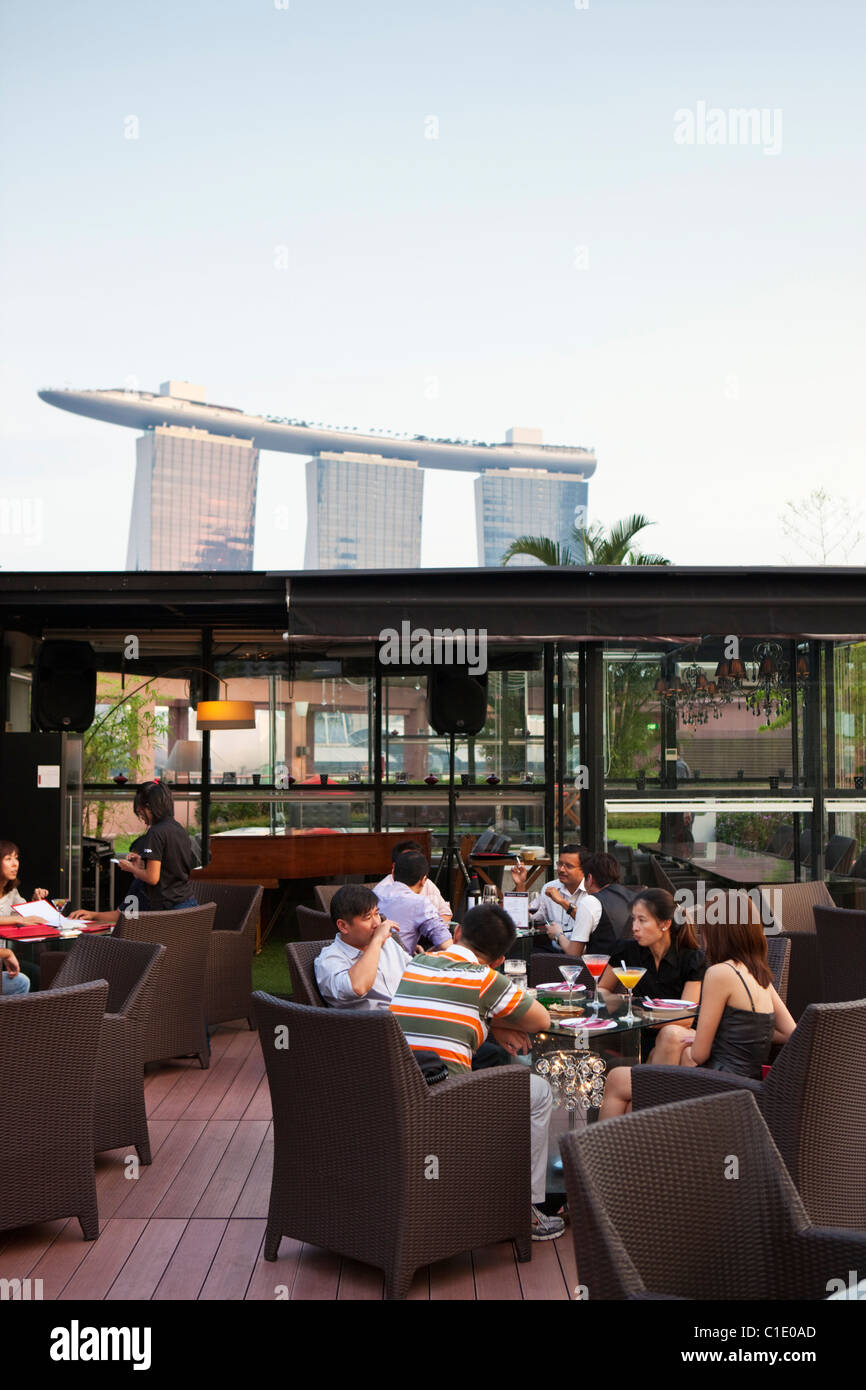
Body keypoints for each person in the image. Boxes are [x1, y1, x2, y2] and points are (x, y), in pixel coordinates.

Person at [389, 902, 565, 1241]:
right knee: (539, 1091)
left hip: (395, 1093)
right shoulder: (484, 979)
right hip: (443, 1103)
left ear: (457, 933)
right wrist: (495, 1020)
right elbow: (541, 1021)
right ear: (499, 960)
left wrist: (489, 1022)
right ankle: (523, 1210)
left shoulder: (416, 963)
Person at [600, 890, 795, 1118]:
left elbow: (700, 1054)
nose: (703, 936)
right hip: (747, 1085)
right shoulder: (760, 975)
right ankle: (643, 1140)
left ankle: (605, 1151)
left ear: (718, 932)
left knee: (616, 1079)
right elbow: (790, 1032)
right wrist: (734, 1034)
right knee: (638, 1090)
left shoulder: (719, 973)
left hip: (716, 1083)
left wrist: (710, 1036)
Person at [72, 781, 197, 922]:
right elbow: (172, 866)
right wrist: (141, 864)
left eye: (139, 811)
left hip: (167, 913)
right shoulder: (178, 829)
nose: (140, 816)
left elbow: (152, 877)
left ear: (148, 807)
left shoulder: (155, 832)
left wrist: (131, 868)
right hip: (188, 907)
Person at [315, 884, 411, 1011]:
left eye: (377, 914)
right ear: (343, 926)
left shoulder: (387, 944)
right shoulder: (329, 960)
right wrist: (376, 941)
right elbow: (358, 987)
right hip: (375, 1027)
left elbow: (415, 972)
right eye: (368, 918)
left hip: (412, 1017)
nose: (377, 923)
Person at [511, 844, 595, 954]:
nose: (561, 869)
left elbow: (591, 924)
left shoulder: (591, 892)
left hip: (583, 954)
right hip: (554, 950)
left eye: (568, 866)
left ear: (584, 870)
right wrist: (521, 885)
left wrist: (561, 901)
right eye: (559, 864)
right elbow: (528, 920)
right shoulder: (550, 887)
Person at [374, 851, 453, 955]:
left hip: (367, 958)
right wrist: (427, 954)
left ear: (393, 873)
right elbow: (446, 945)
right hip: (399, 966)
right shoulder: (421, 903)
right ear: (423, 880)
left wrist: (410, 945)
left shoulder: (376, 892)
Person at [374, 838, 452, 923]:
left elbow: (446, 913)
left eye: (416, 860)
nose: (412, 863)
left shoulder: (427, 883)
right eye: (406, 860)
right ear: (394, 866)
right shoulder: (382, 891)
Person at [581, 851, 635, 958]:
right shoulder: (636, 897)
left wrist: (558, 934)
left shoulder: (590, 901)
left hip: (602, 969)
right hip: (633, 966)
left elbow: (573, 953)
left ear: (590, 879)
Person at [0, 840, 51, 924]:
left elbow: (26, 915)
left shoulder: (12, 891)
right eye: (8, 859)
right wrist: (19, 920)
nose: (15, 863)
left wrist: (35, 900)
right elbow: (22, 919)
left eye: (16, 858)